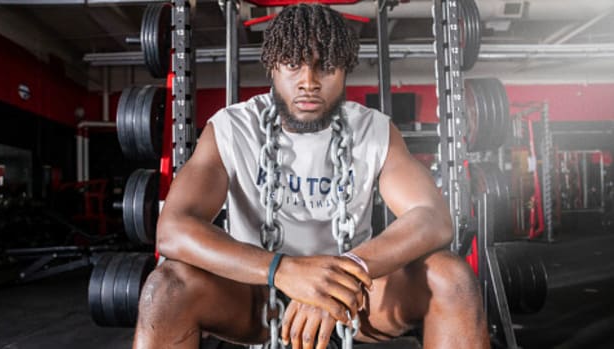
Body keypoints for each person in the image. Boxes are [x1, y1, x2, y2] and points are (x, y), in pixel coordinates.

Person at [133, 4, 489, 349]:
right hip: (256, 297)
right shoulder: (230, 128)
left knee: (450, 277)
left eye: (327, 67)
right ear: (272, 67)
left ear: (346, 69)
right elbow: (173, 229)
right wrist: (284, 271)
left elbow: (432, 218)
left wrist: (342, 273)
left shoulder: (374, 130)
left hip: (355, 299)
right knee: (165, 288)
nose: (309, 82)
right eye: (292, 65)